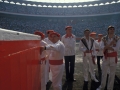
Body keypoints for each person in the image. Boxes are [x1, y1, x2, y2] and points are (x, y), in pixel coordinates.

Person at [96, 26, 120, 90]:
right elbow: (101, 47)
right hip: (106, 57)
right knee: (104, 74)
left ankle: (110, 88)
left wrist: (107, 47)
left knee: (112, 75)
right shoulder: (104, 38)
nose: (112, 30)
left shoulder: (117, 38)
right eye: (110, 29)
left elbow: (117, 49)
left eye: (113, 29)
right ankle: (102, 87)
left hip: (113, 58)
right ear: (108, 30)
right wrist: (110, 46)